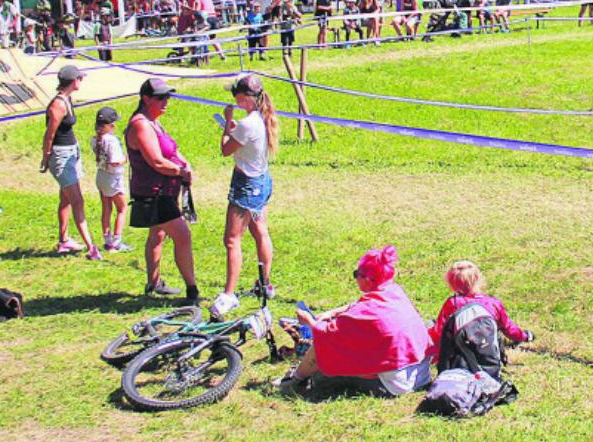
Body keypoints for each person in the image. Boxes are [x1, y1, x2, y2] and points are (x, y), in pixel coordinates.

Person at [278, 245, 434, 399]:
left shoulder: (367, 312)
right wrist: (333, 312)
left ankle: (294, 381)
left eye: (356, 274)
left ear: (366, 279)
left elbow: (327, 335)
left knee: (322, 348)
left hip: (393, 386)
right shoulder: (394, 293)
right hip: (420, 376)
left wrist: (310, 322)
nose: (355, 278)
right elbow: (356, 305)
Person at [126, 77, 199, 303]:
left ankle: (153, 283)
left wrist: (184, 164)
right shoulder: (140, 124)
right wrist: (180, 172)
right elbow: (156, 162)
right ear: (145, 98)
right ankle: (192, 290)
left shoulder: (154, 121)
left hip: (164, 190)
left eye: (168, 96)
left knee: (157, 235)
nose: (166, 101)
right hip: (154, 192)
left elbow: (169, 152)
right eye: (160, 97)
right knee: (183, 236)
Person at [211, 74, 279, 317]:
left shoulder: (247, 123)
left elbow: (225, 149)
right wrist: (233, 128)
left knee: (232, 240)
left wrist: (227, 123)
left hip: (246, 185)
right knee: (260, 232)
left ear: (242, 97)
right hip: (261, 180)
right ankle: (266, 283)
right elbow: (240, 140)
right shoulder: (258, 119)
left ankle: (229, 295)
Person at [428, 260, 534, 371]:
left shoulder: (452, 303)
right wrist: (525, 336)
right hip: (487, 354)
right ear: (478, 279)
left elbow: (440, 332)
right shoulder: (493, 303)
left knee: (430, 323)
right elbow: (508, 328)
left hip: (460, 355)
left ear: (451, 284)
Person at [40, 65, 100, 260]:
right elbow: (50, 134)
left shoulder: (68, 99)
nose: (81, 81)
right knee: (77, 200)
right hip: (61, 155)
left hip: (71, 152)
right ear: (73, 81)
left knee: (66, 199)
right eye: (80, 78)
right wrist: (46, 156)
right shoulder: (57, 105)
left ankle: (64, 240)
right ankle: (92, 247)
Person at [93, 107, 131, 252]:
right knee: (122, 208)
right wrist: (126, 159)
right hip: (113, 178)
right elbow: (115, 161)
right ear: (110, 125)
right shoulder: (111, 140)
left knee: (106, 208)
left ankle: (107, 238)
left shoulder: (96, 139)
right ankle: (117, 240)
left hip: (101, 176)